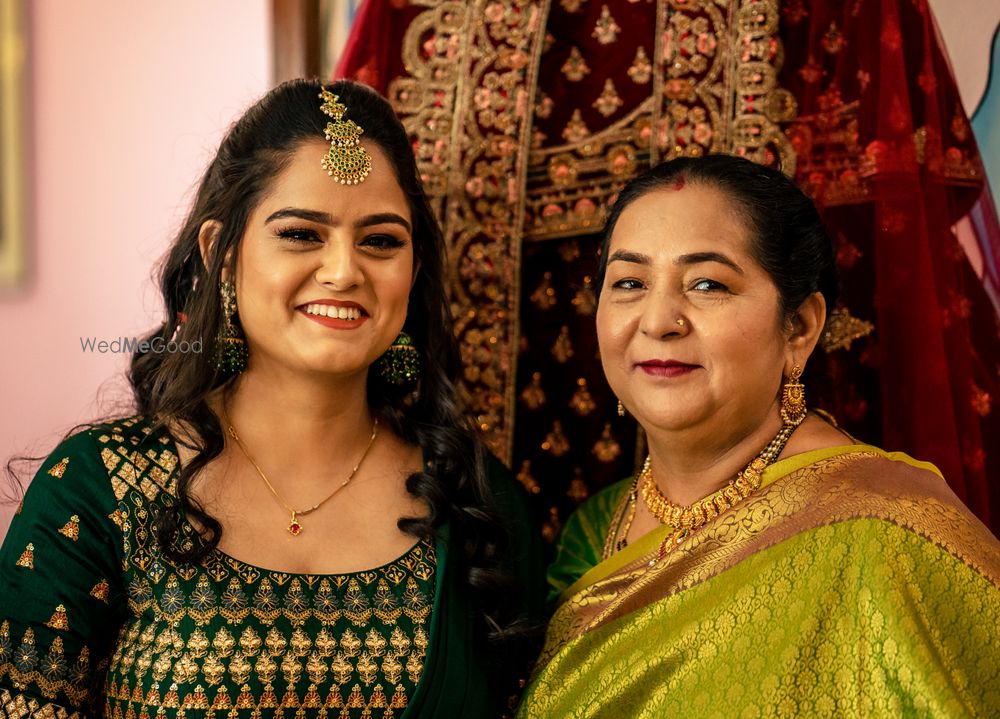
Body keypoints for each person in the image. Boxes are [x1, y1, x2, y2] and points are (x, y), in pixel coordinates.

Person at [0, 79, 542, 719]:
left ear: (414, 268)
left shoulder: (475, 505)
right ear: (220, 255)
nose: (344, 270)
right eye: (301, 234)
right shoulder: (102, 487)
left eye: (380, 240)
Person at [517, 155, 1000, 717]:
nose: (657, 321)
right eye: (629, 282)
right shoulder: (594, 531)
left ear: (798, 327)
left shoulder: (883, 528)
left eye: (707, 284)